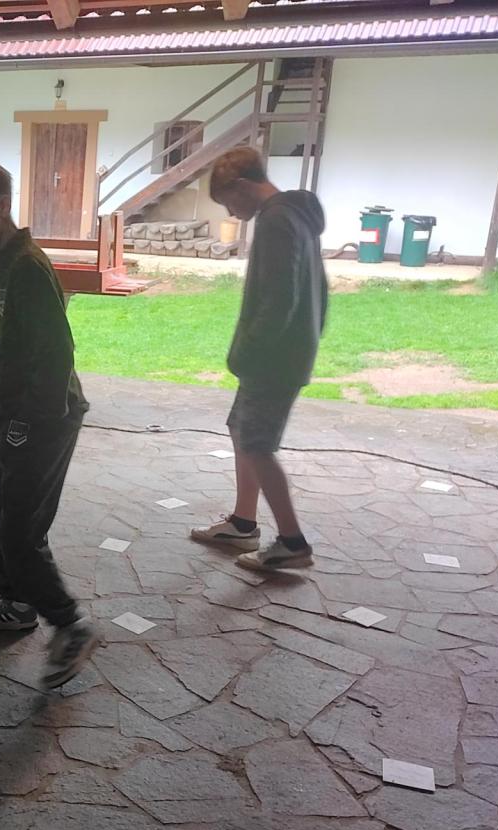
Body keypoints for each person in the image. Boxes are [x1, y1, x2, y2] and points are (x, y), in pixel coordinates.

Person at [0, 159, 96, 690]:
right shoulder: (3, 260)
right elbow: (15, 349)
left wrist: (26, 423)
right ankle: (17, 603)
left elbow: (56, 354)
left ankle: (71, 626)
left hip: (48, 417)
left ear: (2, 206)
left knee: (20, 531)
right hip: (19, 413)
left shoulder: (27, 267)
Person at [189, 146, 328, 571]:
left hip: (273, 358)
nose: (231, 212)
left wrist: (248, 352)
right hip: (285, 351)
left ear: (242, 186)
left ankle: (292, 543)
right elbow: (319, 292)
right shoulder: (295, 216)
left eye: (228, 202)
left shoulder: (277, 220)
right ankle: (243, 523)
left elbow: (280, 298)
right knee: (241, 429)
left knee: (258, 444)